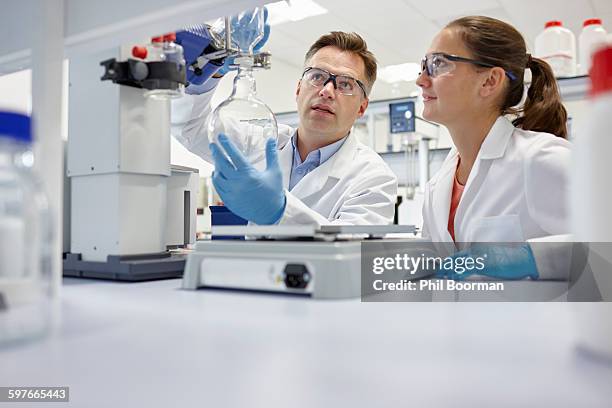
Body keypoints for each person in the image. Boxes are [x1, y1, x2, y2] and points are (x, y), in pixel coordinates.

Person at [173, 29, 397, 226]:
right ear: (299, 89)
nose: (327, 91)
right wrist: (216, 66)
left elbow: (353, 255)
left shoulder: (374, 178)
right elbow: (189, 126)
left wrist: (280, 212)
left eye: (345, 84)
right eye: (317, 76)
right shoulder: (260, 140)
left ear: (361, 108)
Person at [415, 16, 571, 280]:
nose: (421, 79)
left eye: (438, 64)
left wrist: (533, 258)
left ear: (489, 81)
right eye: (424, 65)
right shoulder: (437, 184)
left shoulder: (542, 157)